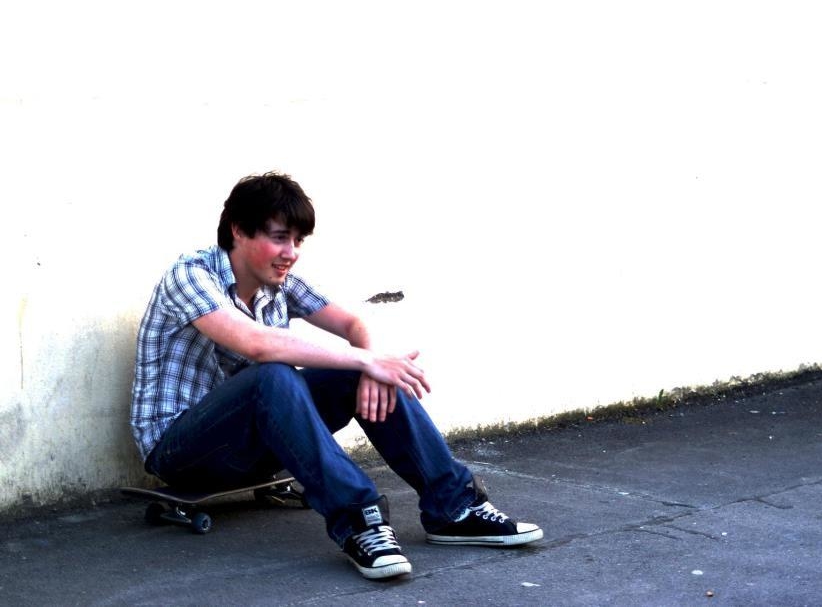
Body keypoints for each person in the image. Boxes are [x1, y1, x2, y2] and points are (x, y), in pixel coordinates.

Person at [130, 172, 542, 579]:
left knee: (359, 371)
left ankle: (454, 508)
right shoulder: (190, 276)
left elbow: (352, 323)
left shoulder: (278, 283)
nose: (291, 252)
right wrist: (365, 361)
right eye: (279, 237)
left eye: (298, 241)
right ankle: (359, 520)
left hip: (252, 448)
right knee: (274, 374)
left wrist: (370, 365)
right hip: (181, 452)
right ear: (238, 230)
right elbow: (256, 344)